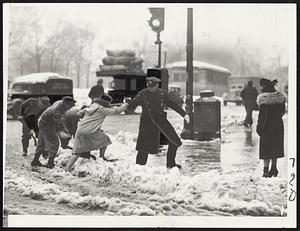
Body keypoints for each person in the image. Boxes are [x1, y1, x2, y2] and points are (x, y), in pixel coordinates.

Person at [127, 76, 190, 169]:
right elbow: (132, 105)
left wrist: (184, 114)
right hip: (147, 124)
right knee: (143, 148)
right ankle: (139, 167)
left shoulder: (162, 93)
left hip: (161, 122)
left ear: (157, 85)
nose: (150, 88)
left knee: (175, 142)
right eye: (149, 86)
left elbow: (172, 104)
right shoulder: (142, 94)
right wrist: (128, 103)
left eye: (152, 86)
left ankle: (171, 164)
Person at [65, 94, 128, 172]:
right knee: (105, 139)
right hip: (90, 131)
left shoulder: (91, 107)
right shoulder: (102, 110)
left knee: (77, 153)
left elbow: (79, 114)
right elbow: (117, 110)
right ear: (106, 103)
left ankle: (67, 168)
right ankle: (101, 157)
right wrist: (126, 104)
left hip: (80, 130)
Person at [31, 96, 76, 168]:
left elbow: (60, 121)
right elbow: (58, 123)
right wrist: (62, 133)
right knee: (54, 143)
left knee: (42, 143)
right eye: (70, 106)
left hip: (43, 122)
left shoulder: (60, 103)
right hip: (47, 124)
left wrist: (64, 130)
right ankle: (50, 163)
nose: (70, 108)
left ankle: (35, 161)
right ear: (66, 104)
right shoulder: (57, 110)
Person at [256, 78, 286, 177]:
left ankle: (265, 170)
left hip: (266, 127)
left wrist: (259, 128)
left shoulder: (264, 100)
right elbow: (282, 112)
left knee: (266, 149)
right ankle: (274, 168)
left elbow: (262, 116)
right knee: (275, 147)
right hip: (278, 126)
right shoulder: (280, 98)